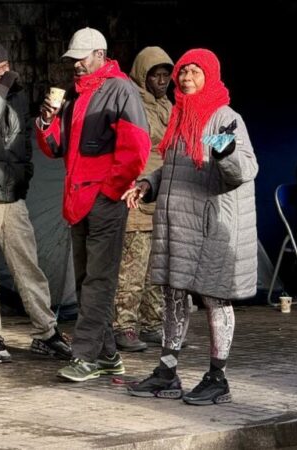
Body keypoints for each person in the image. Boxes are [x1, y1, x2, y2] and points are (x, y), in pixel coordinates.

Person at [125, 49, 257, 405]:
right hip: (177, 224)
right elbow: (173, 167)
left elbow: (244, 170)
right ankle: (167, 373)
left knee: (215, 298)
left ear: (210, 77)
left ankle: (218, 378)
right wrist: (147, 185)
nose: (185, 79)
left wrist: (224, 152)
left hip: (211, 224)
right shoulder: (181, 116)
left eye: (194, 72)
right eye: (183, 72)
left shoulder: (224, 118)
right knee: (174, 295)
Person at [36, 27, 150, 381]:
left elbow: (136, 149)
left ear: (100, 54)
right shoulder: (75, 96)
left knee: (98, 281)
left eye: (81, 58)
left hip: (101, 200)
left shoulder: (120, 90)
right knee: (88, 280)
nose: (76, 65)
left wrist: (110, 192)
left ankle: (84, 356)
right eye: (72, 59)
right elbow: (56, 148)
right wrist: (45, 121)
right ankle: (107, 356)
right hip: (79, 201)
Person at [0, 39, 72, 363]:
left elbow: (22, 140)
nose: (4, 72)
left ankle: (47, 332)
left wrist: (26, 174)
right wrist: (2, 88)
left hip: (12, 194)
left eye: (6, 66)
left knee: (28, 266)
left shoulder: (17, 94)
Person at [113, 47, 174, 352]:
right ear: (142, 75)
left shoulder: (169, 107)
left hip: (162, 198)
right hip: (137, 196)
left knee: (156, 270)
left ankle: (152, 323)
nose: (162, 81)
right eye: (156, 75)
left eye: (166, 75)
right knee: (132, 269)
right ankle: (123, 326)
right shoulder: (131, 103)